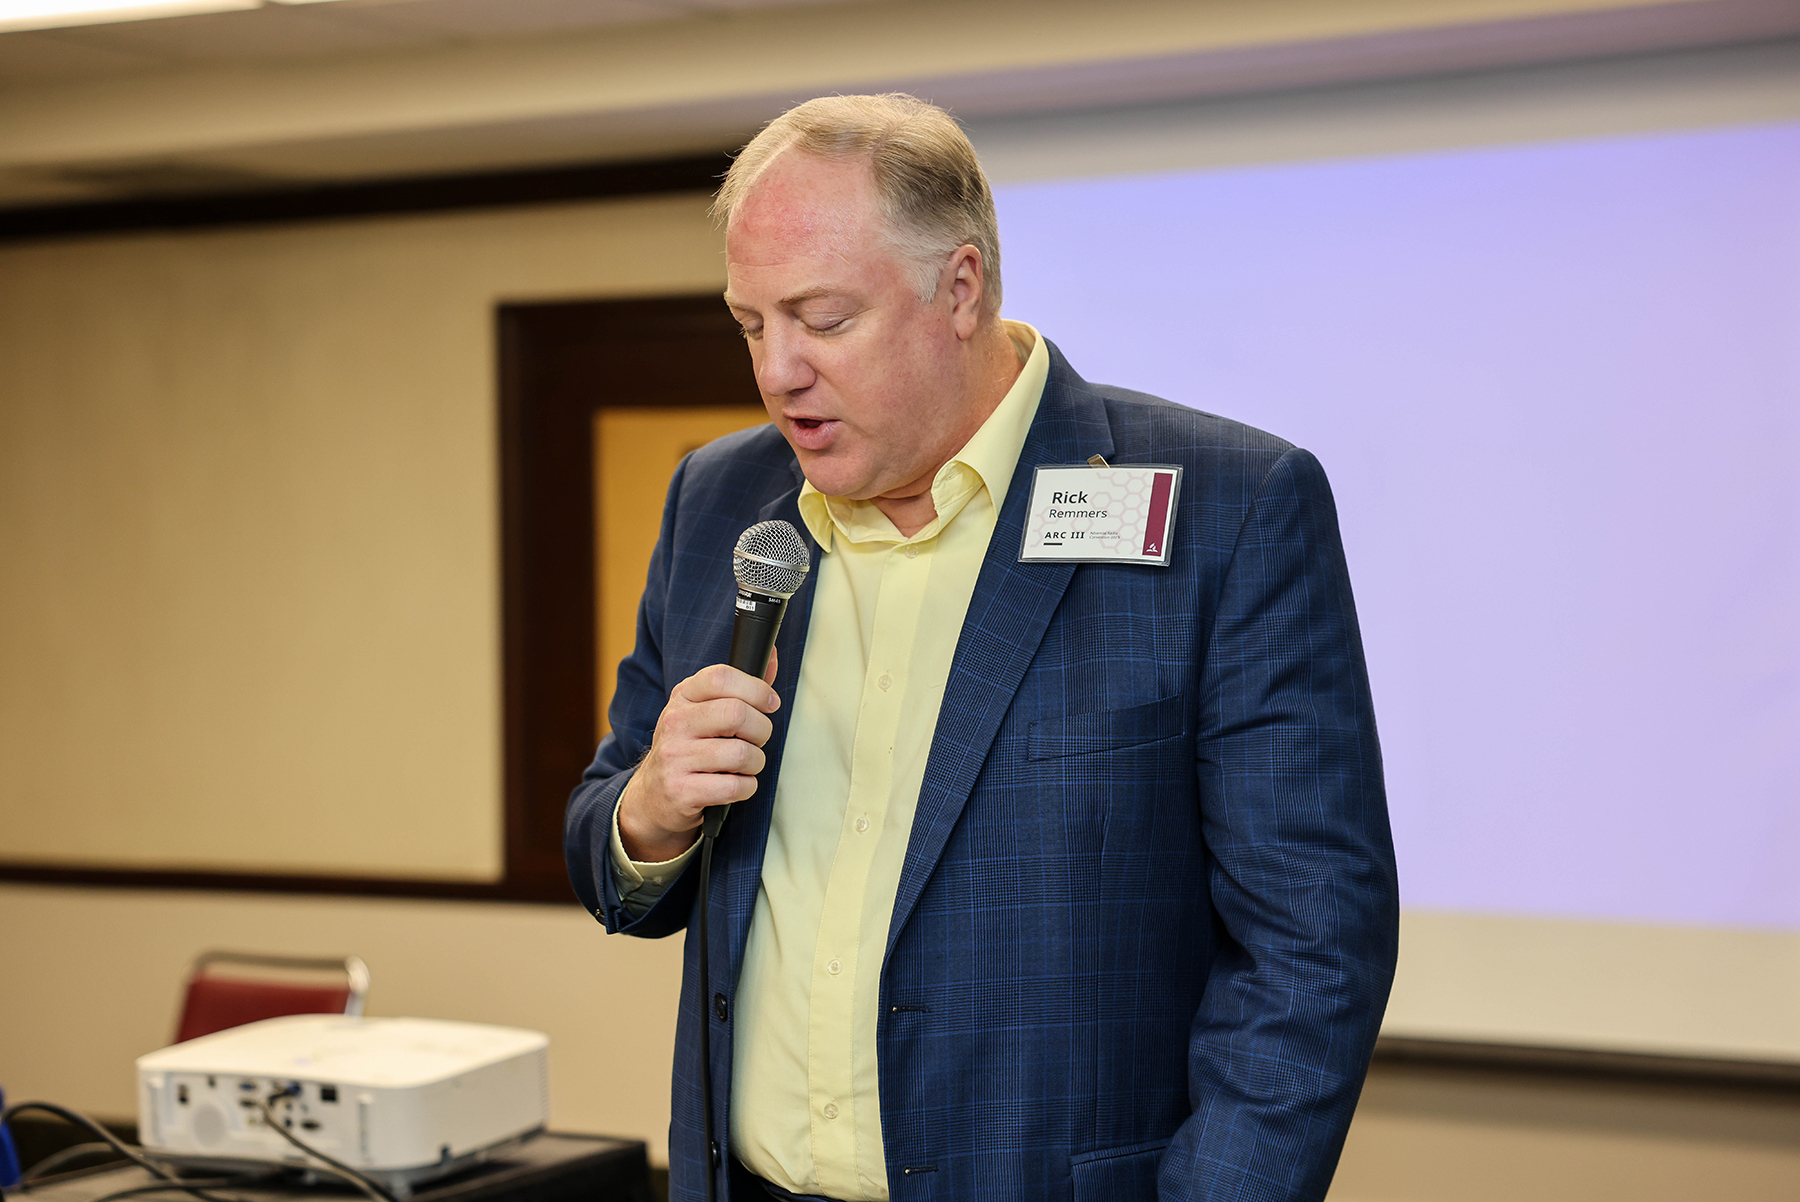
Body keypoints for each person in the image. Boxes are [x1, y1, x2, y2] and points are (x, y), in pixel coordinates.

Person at [565, 93, 1398, 1202]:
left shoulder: (1229, 508)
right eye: (750, 323)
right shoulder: (721, 496)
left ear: (959, 288)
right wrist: (651, 811)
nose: (777, 371)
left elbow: (1314, 948)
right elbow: (610, 851)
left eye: (822, 318)